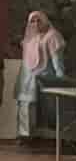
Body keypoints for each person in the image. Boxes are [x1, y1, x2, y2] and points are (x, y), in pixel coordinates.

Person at [15, 10, 66, 142]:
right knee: (25, 104)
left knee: (49, 109)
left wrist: (61, 78)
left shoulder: (52, 36)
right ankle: (25, 135)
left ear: (45, 20)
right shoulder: (30, 37)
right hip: (27, 78)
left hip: (45, 78)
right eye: (32, 21)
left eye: (39, 20)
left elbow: (57, 60)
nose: (36, 23)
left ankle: (51, 136)